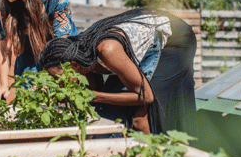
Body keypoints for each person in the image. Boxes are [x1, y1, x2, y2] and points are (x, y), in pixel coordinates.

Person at [39, 8, 198, 136]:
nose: (58, 84)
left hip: (174, 40)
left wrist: (95, 96)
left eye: (58, 78)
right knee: (108, 113)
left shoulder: (108, 50)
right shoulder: (82, 57)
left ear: (73, 65)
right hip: (142, 48)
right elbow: (93, 98)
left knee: (141, 120)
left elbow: (145, 97)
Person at [0, 0, 78, 100]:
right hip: (29, 52)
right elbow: (3, 46)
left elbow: (60, 45)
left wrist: (48, 79)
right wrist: (3, 85)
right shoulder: (5, 4)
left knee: (57, 98)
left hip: (61, 53)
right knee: (23, 99)